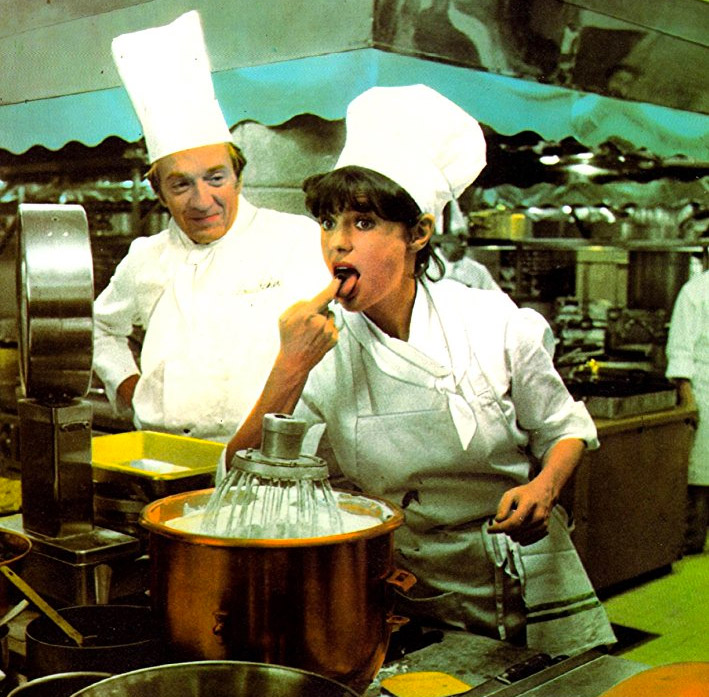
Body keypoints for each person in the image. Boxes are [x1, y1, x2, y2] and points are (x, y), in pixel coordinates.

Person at [224, 85, 616, 657]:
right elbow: (239, 480)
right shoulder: (320, 348)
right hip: (410, 587)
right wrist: (289, 369)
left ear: (419, 233)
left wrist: (544, 486)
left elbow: (564, 429)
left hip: (526, 568)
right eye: (329, 222)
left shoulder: (493, 322)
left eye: (363, 222)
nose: (337, 244)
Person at [92, 11, 329, 441]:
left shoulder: (298, 240)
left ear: (239, 176)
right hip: (167, 451)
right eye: (181, 184)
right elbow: (100, 327)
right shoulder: (146, 257)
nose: (202, 201)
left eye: (215, 178)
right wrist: (127, 387)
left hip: (268, 453)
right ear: (159, 192)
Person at [666, 248, 709, 554]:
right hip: (705, 392)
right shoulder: (695, 292)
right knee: (701, 474)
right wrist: (689, 400)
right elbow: (680, 349)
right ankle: (693, 538)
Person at [435, 232, 501, 290]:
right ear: (443, 243)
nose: (464, 244)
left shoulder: (478, 270)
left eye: (465, 239)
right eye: (459, 239)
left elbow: (497, 297)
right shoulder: (430, 266)